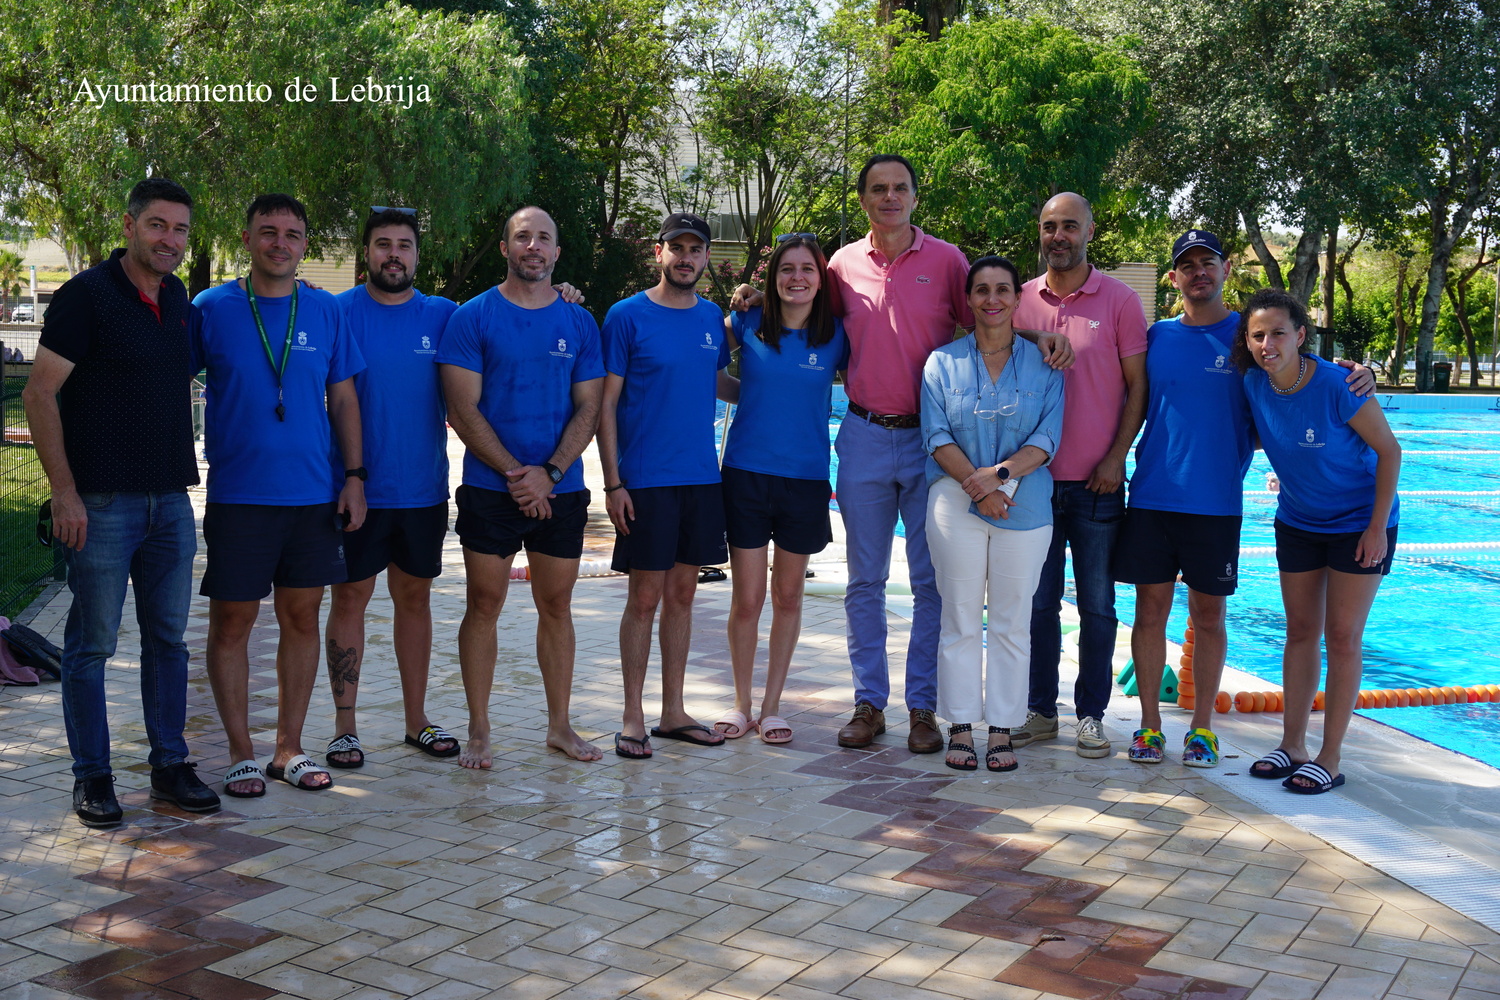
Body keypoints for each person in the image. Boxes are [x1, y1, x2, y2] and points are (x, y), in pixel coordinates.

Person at [731, 157, 1071, 754]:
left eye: (900, 188)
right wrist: (752, 298)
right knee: (864, 580)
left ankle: (922, 707)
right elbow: (800, 303)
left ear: (915, 196)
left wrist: (1037, 335)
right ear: (864, 199)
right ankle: (868, 702)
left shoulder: (948, 262)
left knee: (929, 583)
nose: (889, 197)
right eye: (878, 189)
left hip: (932, 444)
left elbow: (990, 317)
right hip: (863, 433)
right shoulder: (840, 265)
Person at [1115, 231, 1377, 767]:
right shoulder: (1158, 336)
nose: (1198, 272)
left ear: (1226, 269)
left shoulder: (1249, 337)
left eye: (1207, 262)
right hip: (1152, 496)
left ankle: (1202, 730)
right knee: (1149, 612)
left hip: (1216, 503)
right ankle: (1149, 727)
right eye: (1187, 265)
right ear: (1173, 278)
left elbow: (1300, 377)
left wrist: (1362, 372)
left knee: (1210, 615)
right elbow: (1131, 398)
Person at [23, 177, 219, 827]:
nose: (170, 239)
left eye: (181, 229)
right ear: (130, 226)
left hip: (170, 502)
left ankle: (170, 766)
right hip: (101, 504)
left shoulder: (178, 297)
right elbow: (39, 394)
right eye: (158, 225)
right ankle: (93, 776)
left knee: (169, 641)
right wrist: (64, 494)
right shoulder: (85, 297)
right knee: (92, 645)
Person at [194, 193, 366, 797]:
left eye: (292, 234)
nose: (280, 243)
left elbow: (343, 398)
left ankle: (287, 749)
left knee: (301, 617)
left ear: (305, 245)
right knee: (233, 622)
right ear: (246, 240)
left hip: (312, 496)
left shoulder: (325, 310)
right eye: (267, 232)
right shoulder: (211, 308)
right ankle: (241, 753)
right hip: (240, 496)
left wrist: (354, 476)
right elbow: (165, 379)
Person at [437, 206, 605, 766]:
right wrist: (518, 473)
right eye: (522, 237)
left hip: (561, 488)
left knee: (556, 604)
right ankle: (480, 729)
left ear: (557, 252)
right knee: (484, 603)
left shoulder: (579, 321)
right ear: (506, 248)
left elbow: (589, 407)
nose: (533, 246)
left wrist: (549, 474)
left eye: (543, 238)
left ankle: (560, 726)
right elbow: (462, 409)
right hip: (492, 490)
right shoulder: (472, 317)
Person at [1233, 288, 1400, 794]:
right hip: (1299, 520)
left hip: (1359, 523)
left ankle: (1330, 757)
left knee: (1343, 636)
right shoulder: (1254, 384)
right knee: (1301, 631)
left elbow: (1390, 451)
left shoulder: (1337, 384)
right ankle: (1293, 746)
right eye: (1258, 335)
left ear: (1300, 335)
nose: (1268, 344)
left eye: (1278, 333)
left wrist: (1376, 527)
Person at [321, 208, 460, 770]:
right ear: (367, 253)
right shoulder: (336, 312)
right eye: (383, 244)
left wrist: (564, 294)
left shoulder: (445, 315)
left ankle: (415, 720)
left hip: (423, 491)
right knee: (349, 599)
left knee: (415, 600)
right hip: (355, 492)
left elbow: (507, 320)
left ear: (417, 255)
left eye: (404, 245)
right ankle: (345, 728)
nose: (394, 254)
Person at [1012, 192, 1147, 759]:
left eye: (1070, 225)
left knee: (1097, 607)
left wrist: (1117, 457)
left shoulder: (1119, 300)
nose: (1058, 236)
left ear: (1090, 231)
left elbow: (1138, 387)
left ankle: (1091, 716)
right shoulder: (1018, 300)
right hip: (1034, 484)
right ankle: (1041, 712)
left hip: (1097, 484)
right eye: (1049, 226)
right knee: (1037, 605)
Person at [921, 256, 1064, 773]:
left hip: (1025, 503)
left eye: (1003, 289)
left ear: (1017, 297)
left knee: (1011, 622)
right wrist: (978, 487)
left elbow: (1047, 437)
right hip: (955, 500)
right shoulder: (941, 363)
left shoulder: (1045, 364)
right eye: (981, 290)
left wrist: (998, 477)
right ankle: (960, 725)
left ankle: (1002, 728)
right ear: (969, 299)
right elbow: (936, 434)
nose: (992, 299)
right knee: (959, 617)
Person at [599, 212, 730, 758]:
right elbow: (605, 404)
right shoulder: (626, 316)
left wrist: (784, 383)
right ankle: (632, 715)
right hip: (647, 481)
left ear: (706, 257)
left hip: (700, 479)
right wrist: (613, 483)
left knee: (683, 596)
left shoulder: (712, 317)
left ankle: (673, 711)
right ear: (659, 253)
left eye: (695, 249)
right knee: (644, 599)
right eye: (677, 248)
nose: (686, 258)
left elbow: (719, 382)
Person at [713, 234, 848, 745]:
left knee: (788, 596)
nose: (797, 277)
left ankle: (771, 707)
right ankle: (741, 703)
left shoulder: (836, 334)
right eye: (787, 268)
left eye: (807, 269)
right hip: (746, 475)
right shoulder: (746, 321)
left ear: (821, 278)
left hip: (806, 480)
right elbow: (704, 364)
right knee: (747, 599)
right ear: (772, 278)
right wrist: (750, 395)